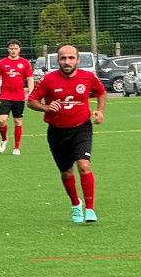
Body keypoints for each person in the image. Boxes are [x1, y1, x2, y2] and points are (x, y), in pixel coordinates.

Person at [27, 44, 106, 224]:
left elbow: (101, 92)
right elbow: (31, 101)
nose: (67, 61)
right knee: (66, 172)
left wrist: (100, 111)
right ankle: (75, 203)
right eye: (63, 58)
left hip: (81, 127)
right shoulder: (48, 80)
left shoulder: (88, 77)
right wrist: (46, 107)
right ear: (58, 61)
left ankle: (90, 208)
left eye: (71, 58)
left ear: (78, 60)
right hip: (57, 131)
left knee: (84, 165)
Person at [0, 39, 34, 155]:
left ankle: (16, 147)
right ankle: (4, 139)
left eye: (15, 48)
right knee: (2, 120)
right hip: (5, 96)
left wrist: (31, 94)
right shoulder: (2, 63)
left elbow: (30, 79)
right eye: (11, 48)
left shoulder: (25, 63)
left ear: (19, 50)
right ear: (8, 50)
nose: (13, 51)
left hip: (19, 97)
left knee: (17, 121)